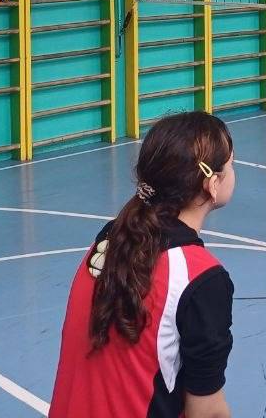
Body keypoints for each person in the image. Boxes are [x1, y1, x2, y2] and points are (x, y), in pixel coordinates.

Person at [50, 112, 237, 417]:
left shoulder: (112, 237)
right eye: (230, 164)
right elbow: (207, 410)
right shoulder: (200, 278)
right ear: (212, 183)